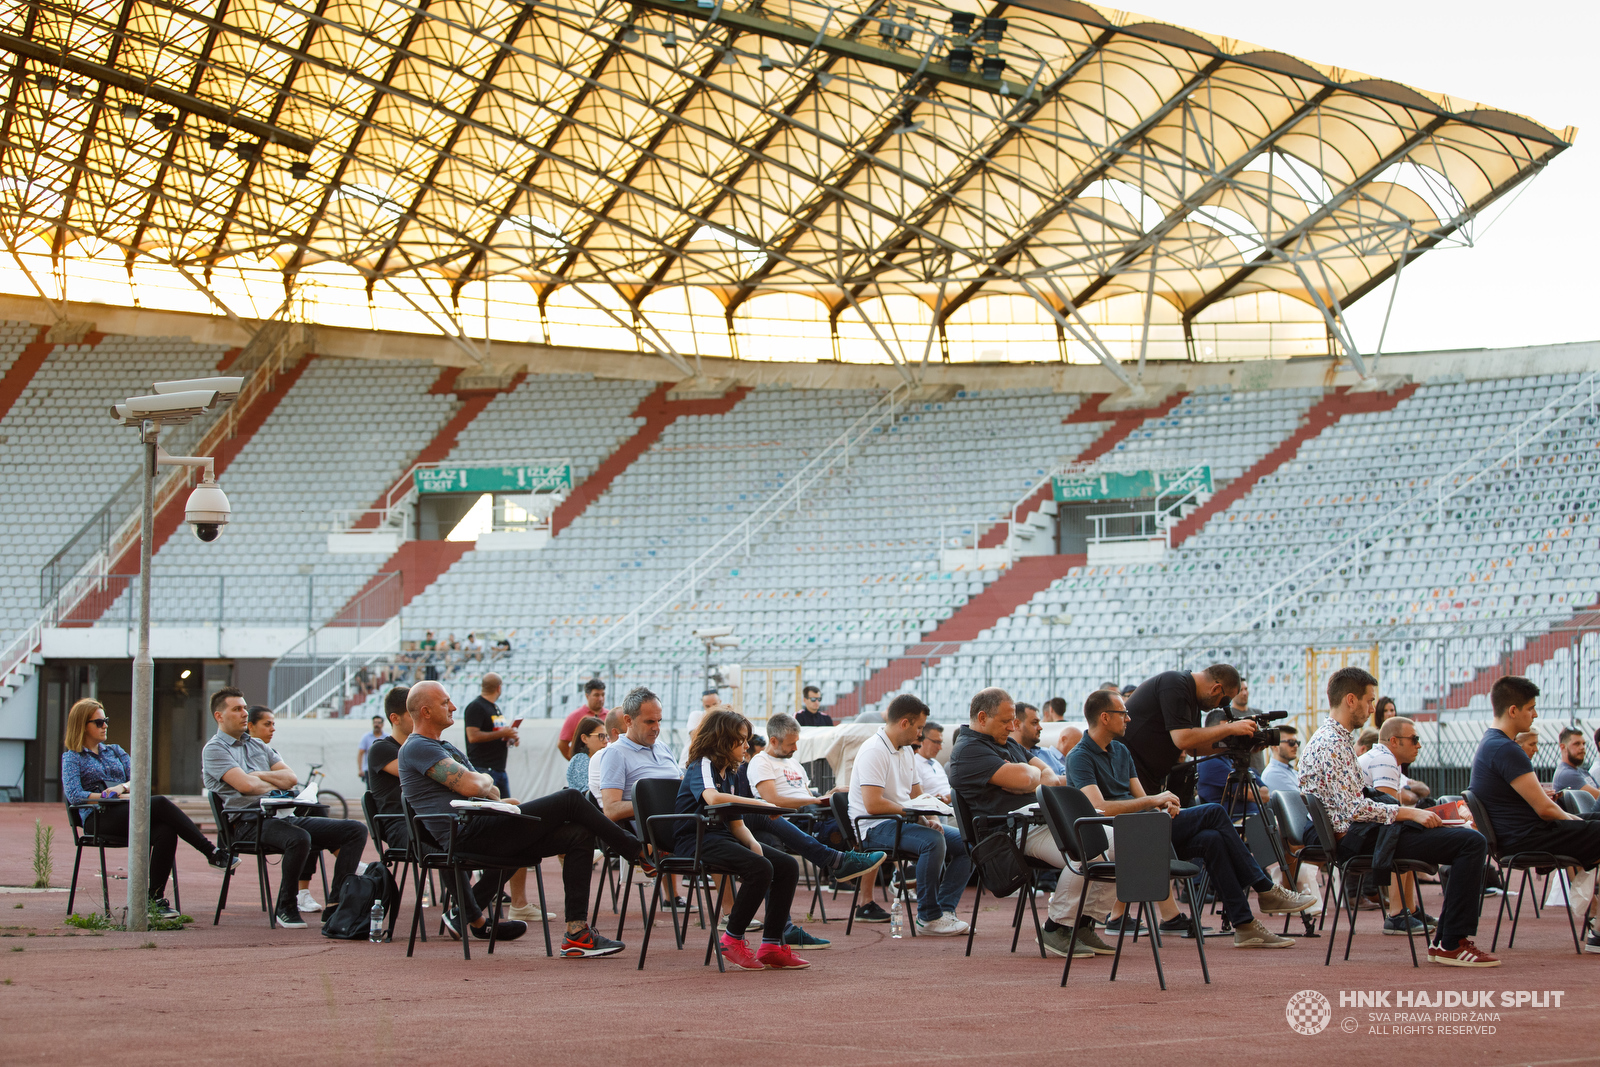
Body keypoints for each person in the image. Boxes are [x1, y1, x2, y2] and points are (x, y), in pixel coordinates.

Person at [399, 680, 654, 955]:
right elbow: (475, 786)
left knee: (579, 834)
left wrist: (481, 781)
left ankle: (577, 934)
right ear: (425, 712)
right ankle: (637, 852)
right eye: (444, 703)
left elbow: (491, 789)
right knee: (570, 799)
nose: (453, 707)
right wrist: (481, 781)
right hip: (468, 834)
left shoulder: (444, 746)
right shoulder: (418, 747)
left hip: (486, 826)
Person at [1065, 689, 1312, 949]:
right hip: (1120, 836)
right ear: (1105, 717)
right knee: (1214, 812)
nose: (1129, 718)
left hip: (1147, 827)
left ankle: (1245, 925)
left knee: (1212, 839)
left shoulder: (1121, 752)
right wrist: (1154, 801)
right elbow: (1098, 808)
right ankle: (1264, 888)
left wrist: (1162, 806)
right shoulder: (1080, 756)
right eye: (1123, 713)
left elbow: (1141, 799)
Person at [1302, 666, 1495, 967]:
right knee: (1471, 843)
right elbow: (1356, 809)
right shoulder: (1332, 743)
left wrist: (1410, 814)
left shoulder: (1332, 739)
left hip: (1363, 833)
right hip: (1359, 838)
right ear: (1350, 700)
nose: (1372, 709)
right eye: (1369, 701)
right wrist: (1409, 813)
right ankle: (1451, 943)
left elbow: (1358, 803)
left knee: (1465, 839)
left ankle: (1448, 940)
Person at [947, 687, 1117, 958]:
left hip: (1041, 822)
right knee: (1085, 852)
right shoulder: (968, 750)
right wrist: (1028, 779)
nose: (1012, 727)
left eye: (1013, 720)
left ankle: (1083, 924)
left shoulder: (1007, 744)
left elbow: (1048, 776)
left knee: (1120, 843)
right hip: (1010, 833)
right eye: (1006, 721)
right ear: (982, 717)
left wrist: (1025, 780)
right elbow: (1030, 778)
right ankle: (1055, 927)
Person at [202, 687, 368, 929]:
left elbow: (290, 778)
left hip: (282, 817)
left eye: (245, 707)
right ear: (219, 716)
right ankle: (286, 906)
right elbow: (245, 786)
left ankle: (336, 907)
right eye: (237, 709)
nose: (244, 713)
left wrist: (258, 774)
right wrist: (268, 780)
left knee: (355, 830)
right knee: (299, 837)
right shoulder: (215, 749)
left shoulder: (258, 746)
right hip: (247, 824)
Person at [61, 698, 234, 919]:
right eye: (99, 722)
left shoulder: (115, 751)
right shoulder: (72, 757)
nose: (105, 725)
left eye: (106, 720)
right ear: (82, 725)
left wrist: (121, 787)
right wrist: (104, 796)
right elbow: (74, 794)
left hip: (127, 810)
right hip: (98, 818)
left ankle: (154, 900)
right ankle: (211, 852)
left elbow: (139, 778)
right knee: (160, 802)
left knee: (166, 831)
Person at [727, 710, 883, 952]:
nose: (796, 749)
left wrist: (828, 796)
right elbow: (771, 800)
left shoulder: (794, 763)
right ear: (774, 740)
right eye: (791, 744)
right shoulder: (760, 761)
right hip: (780, 820)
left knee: (859, 822)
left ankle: (853, 878)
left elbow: (807, 797)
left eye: (797, 742)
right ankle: (838, 866)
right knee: (774, 845)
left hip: (806, 818)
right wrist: (816, 800)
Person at [1467, 676, 1600, 951]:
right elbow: (1545, 808)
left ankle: (1597, 921)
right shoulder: (1507, 748)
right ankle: (1598, 928)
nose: (1535, 714)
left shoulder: (1491, 744)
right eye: (1531, 707)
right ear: (1513, 710)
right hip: (1527, 838)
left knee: (1594, 824)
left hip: (1519, 835)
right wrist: (1575, 822)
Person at [676, 708, 811, 970]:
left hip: (722, 837)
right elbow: (712, 798)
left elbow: (736, 823)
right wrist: (756, 802)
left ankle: (772, 945)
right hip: (695, 840)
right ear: (722, 740)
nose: (747, 745)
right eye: (742, 739)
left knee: (786, 866)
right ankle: (732, 938)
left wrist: (754, 845)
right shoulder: (702, 764)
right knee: (760, 868)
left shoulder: (733, 772)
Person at [848, 693, 972, 935]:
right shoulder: (874, 750)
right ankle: (928, 916)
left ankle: (945, 911)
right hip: (873, 828)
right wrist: (914, 813)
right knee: (933, 842)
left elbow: (917, 795)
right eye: (919, 728)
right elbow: (873, 805)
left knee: (968, 842)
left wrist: (928, 819)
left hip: (898, 822)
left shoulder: (906, 751)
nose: (920, 734)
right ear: (904, 723)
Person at [1121, 664, 1252, 795]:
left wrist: (1234, 745)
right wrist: (1230, 728)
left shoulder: (1192, 700)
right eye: (1225, 701)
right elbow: (1183, 739)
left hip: (1147, 776)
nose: (1220, 707)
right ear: (1216, 689)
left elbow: (1193, 748)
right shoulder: (1175, 684)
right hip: (1128, 771)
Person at [1357, 716, 1434, 936]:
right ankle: (1397, 915)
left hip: (1355, 828)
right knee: (1402, 834)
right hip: (1352, 836)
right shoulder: (1384, 759)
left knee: (1405, 829)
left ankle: (1409, 910)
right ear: (1394, 741)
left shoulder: (1383, 757)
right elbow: (1390, 813)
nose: (1418, 744)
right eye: (1414, 739)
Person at [599, 687, 682, 824]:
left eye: (659, 721)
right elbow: (611, 810)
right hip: (658, 838)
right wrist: (658, 803)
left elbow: (684, 787)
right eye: (650, 722)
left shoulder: (663, 748)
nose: (656, 728)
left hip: (686, 826)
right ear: (628, 721)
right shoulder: (615, 753)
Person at [366, 686, 412, 852]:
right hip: (400, 825)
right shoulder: (381, 749)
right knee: (452, 847)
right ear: (395, 718)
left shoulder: (424, 747)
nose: (421, 717)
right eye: (412, 713)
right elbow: (419, 774)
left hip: (426, 821)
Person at [462, 673, 517, 798]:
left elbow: (496, 734)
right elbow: (473, 736)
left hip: (498, 768)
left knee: (507, 810)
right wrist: (503, 733)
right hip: (484, 768)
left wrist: (510, 738)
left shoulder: (494, 707)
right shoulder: (476, 706)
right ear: (499, 688)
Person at [559, 679, 607, 760]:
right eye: (596, 695)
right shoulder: (574, 716)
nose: (601, 698)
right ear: (587, 696)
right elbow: (562, 744)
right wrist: (575, 761)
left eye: (602, 695)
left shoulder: (610, 716)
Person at [588, 708, 629, 803]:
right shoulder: (603, 756)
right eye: (628, 724)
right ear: (616, 733)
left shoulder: (657, 748)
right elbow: (611, 808)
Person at [1016, 703, 1066, 775]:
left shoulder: (1046, 752)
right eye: (1035, 723)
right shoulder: (1008, 755)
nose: (1040, 728)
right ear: (1017, 724)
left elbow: (1069, 777)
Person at [1553, 727, 1600, 799]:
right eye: (1577, 744)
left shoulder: (1581, 771)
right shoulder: (1566, 774)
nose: (1582, 747)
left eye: (1583, 744)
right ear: (1563, 747)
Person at [567, 715, 606, 794]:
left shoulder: (602, 759)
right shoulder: (580, 759)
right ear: (584, 738)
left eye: (607, 736)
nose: (606, 741)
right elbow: (589, 792)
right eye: (601, 736)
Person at [914, 722, 951, 801]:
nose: (940, 747)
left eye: (940, 743)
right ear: (922, 740)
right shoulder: (914, 764)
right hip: (935, 809)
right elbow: (919, 798)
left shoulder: (936, 763)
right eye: (936, 742)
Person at [1259, 725, 1301, 794]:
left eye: (1297, 743)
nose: (1296, 746)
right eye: (1291, 742)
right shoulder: (1273, 774)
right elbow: (1303, 800)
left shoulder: (1292, 771)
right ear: (1275, 746)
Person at [357, 715, 383, 785]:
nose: (376, 725)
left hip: (383, 770)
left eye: (378, 723)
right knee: (370, 792)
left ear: (382, 724)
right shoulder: (366, 737)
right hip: (369, 770)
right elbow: (360, 753)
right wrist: (360, 769)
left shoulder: (386, 737)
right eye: (375, 722)